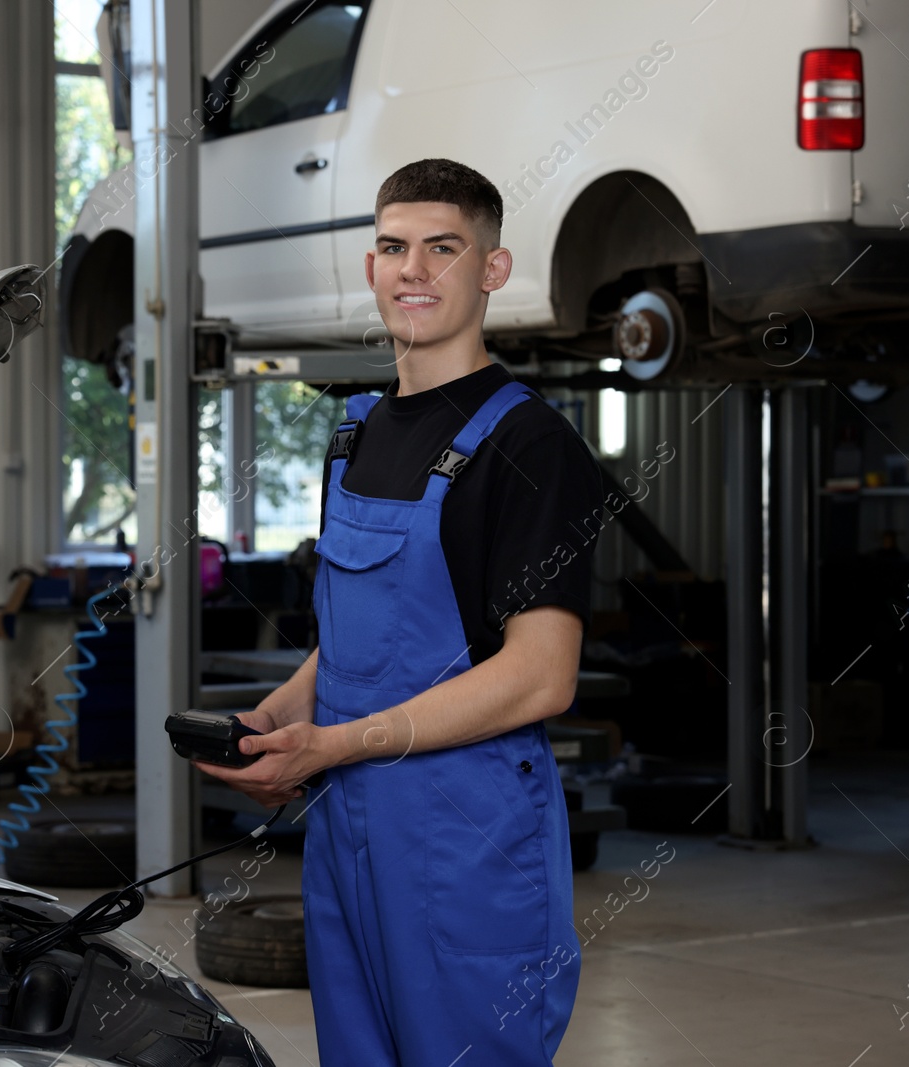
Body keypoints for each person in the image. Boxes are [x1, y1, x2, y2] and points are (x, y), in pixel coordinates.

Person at [196, 158, 605, 1065]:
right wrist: (284, 712)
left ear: (491, 270)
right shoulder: (357, 435)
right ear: (372, 265)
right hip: (350, 833)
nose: (412, 269)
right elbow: (350, 631)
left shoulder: (529, 441)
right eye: (392, 247)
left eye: (442, 248)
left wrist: (336, 745)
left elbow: (542, 675)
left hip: (467, 839)